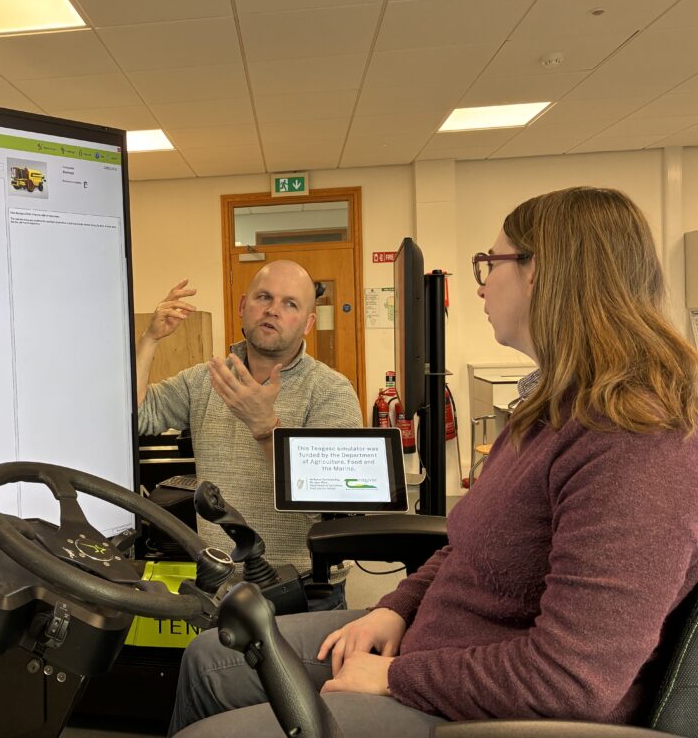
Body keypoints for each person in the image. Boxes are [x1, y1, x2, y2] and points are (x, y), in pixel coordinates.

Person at [168, 187, 698, 737]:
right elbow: (466, 547)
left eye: (489, 262)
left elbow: (571, 679)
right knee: (208, 659)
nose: (481, 283)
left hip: (489, 710)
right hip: (435, 644)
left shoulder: (636, 442)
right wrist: (394, 608)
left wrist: (397, 677)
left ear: (541, 272)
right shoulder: (547, 411)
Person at [137, 260, 363, 604]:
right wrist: (150, 339)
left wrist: (265, 428)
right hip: (222, 587)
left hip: (306, 591)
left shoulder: (330, 391)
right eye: (264, 297)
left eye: (290, 303)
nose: (273, 310)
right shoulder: (207, 379)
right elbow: (138, 415)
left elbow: (334, 505)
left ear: (308, 323)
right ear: (243, 305)